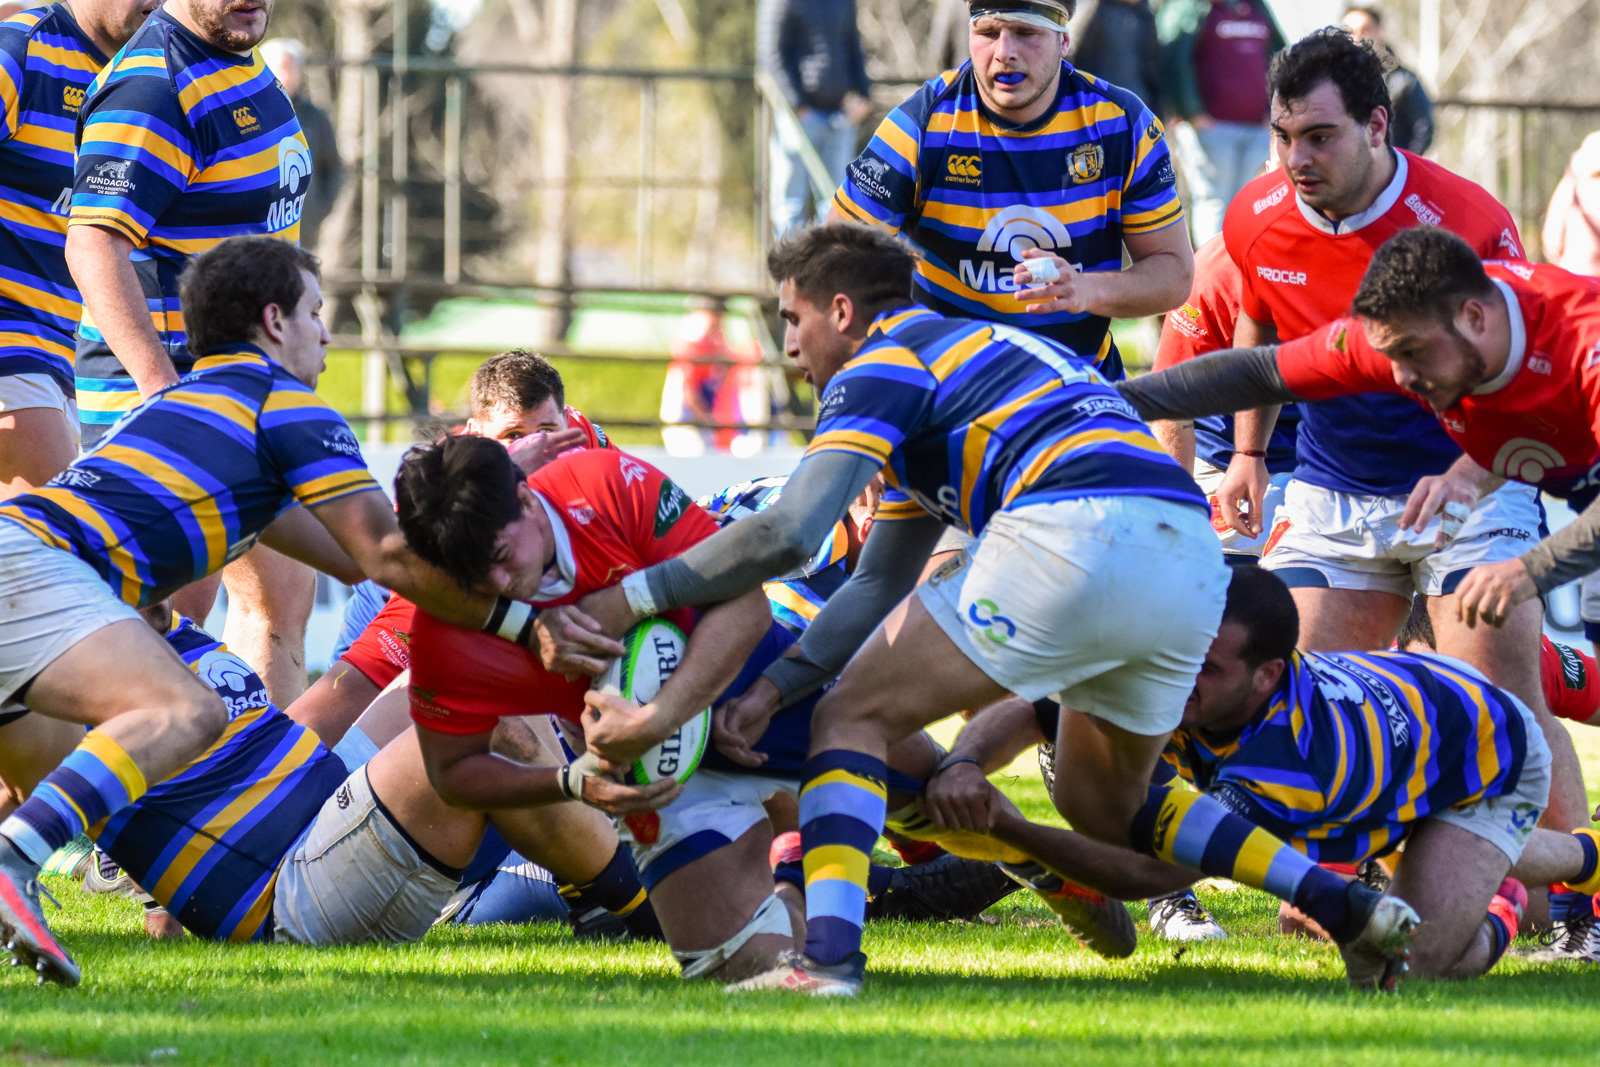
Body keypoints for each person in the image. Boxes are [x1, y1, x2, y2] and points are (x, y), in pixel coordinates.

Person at [534, 223, 1416, 996]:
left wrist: (636, 594)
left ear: (842, 311)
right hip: (1185, 548)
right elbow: (879, 580)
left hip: (1076, 522)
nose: (788, 348)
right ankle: (1340, 901)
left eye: (791, 319)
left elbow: (792, 533)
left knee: (852, 714)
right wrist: (779, 684)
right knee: (1107, 803)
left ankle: (832, 960)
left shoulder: (883, 362)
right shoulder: (971, 367)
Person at [0, 237, 553, 985]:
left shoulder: (189, 407)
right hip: (34, 565)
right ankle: (17, 860)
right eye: (315, 313)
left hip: (30, 567)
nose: (327, 334)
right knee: (185, 710)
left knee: (101, 723)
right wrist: (522, 597)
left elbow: (356, 557)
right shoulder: (282, 403)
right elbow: (390, 556)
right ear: (273, 320)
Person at [1197, 30, 1589, 835]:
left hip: (1467, 490)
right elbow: (1261, 340)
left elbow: (1511, 361)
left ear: (1379, 127)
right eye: (1282, 135)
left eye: (1319, 135)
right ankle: (1340, 883)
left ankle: (1575, 908)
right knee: (1312, 705)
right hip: (1336, 491)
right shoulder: (1257, 218)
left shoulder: (1469, 218)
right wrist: (1244, 453)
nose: (1296, 157)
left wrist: (1467, 474)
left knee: (1506, 710)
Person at [948, 567, 1600, 982]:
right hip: (1401, 749)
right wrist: (965, 763)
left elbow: (1151, 874)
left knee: (1396, 970)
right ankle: (1553, 857)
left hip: (1486, 757)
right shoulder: (1184, 662)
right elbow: (1034, 711)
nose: (1184, 680)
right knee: (1339, 912)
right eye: (1184, 656)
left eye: (1209, 670)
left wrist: (1011, 832)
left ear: (1267, 675)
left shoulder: (1285, 762)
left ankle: (1509, 897)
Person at [66, 0, 321, 706]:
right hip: (174, 397)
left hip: (247, 393)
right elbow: (92, 243)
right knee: (162, 636)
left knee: (279, 611)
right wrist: (165, 392)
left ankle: (267, 806)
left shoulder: (239, 55)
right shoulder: (156, 82)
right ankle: (76, 811)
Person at [830, 0, 1192, 380]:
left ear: (1064, 39)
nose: (1004, 52)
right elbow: (834, 259)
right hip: (948, 392)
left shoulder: (1123, 126)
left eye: (1025, 32)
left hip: (1078, 390)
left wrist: (1086, 289)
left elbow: (1175, 273)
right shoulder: (920, 126)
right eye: (987, 33)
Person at [296, 348, 608, 752]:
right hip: (405, 582)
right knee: (347, 714)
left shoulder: (587, 443)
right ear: (476, 434)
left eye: (548, 430)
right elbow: (340, 694)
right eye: (512, 438)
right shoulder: (445, 497)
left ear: (566, 421)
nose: (537, 451)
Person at [0, 0, 155, 498]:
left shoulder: (152, 77)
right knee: (64, 546)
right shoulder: (22, 51)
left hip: (77, 359)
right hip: (14, 345)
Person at [1152, 232, 1295, 554]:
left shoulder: (1381, 251)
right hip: (1224, 452)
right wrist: (1177, 509)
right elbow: (1171, 403)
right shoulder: (1214, 275)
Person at [1156, 0, 1287, 244]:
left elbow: (1280, 55)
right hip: (1212, 130)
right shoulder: (1193, 7)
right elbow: (1173, 56)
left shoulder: (1257, 7)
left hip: (1257, 128)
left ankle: (1238, 272)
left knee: (1249, 201)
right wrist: (1191, 111)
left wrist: (1274, 111)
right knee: (1214, 202)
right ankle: (1212, 274)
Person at [757, 0, 872, 235]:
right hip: (798, 117)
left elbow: (852, 45)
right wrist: (797, 105)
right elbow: (770, 53)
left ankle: (827, 270)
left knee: (836, 203)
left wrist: (864, 95)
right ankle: (790, 271)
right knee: (790, 204)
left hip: (840, 115)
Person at [259, 37, 344, 248]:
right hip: (257, 226)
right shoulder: (251, 111)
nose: (287, 76)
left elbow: (334, 169)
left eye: (292, 69)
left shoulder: (316, 117)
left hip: (302, 229)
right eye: (281, 69)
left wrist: (318, 210)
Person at [1342, 6, 1433, 157]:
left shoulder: (1405, 81)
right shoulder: (1328, 81)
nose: (1356, 38)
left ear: (1378, 32)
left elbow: (1423, 129)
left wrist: (1400, 166)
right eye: (1349, 32)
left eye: (1364, 30)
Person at [1067, 0, 1162, 116]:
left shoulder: (1145, 15)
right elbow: (1073, 57)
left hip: (1138, 109)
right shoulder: (1095, 10)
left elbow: (1152, 68)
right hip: (1098, 108)